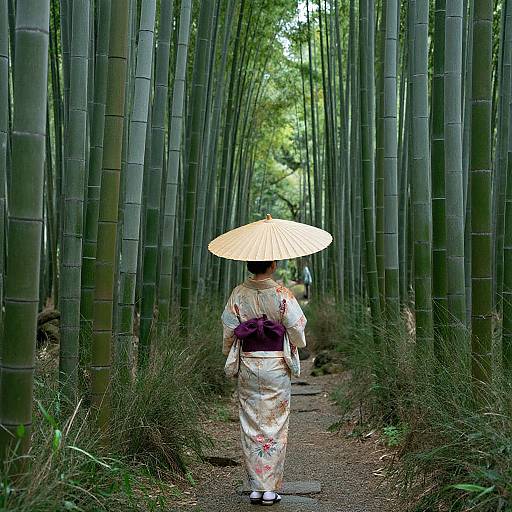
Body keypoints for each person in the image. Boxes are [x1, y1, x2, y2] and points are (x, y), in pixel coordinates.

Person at [221, 260, 307, 506]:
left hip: (249, 362)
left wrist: (231, 347)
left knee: (250, 420)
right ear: (272, 266)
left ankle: (256, 488)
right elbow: (298, 329)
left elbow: (228, 328)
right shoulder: (282, 293)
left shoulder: (238, 293)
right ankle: (269, 489)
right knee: (275, 423)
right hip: (276, 365)